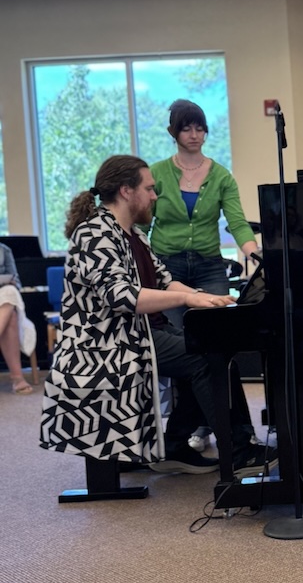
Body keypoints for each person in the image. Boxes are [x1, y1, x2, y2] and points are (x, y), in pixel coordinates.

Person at [39, 155, 270, 475]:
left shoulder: (135, 235)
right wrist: (187, 297)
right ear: (125, 191)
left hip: (141, 332)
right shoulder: (94, 233)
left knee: (212, 344)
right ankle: (240, 452)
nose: (154, 196)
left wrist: (204, 297)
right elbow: (120, 296)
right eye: (149, 189)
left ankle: (176, 444)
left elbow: (164, 280)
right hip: (107, 342)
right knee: (203, 357)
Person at [149, 99, 259, 450]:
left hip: (210, 266)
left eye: (199, 128)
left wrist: (252, 251)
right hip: (168, 267)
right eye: (186, 128)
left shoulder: (221, 175)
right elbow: (140, 220)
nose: (194, 135)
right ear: (173, 132)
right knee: (184, 347)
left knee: (214, 344)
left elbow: (237, 222)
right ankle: (194, 427)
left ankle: (220, 426)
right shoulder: (159, 174)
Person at [0, 242, 34, 395]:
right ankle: (17, 378)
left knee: (10, 291)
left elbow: (17, 282)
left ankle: (18, 377)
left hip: (2, 302)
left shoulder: (4, 250)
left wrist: (11, 281)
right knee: (11, 317)